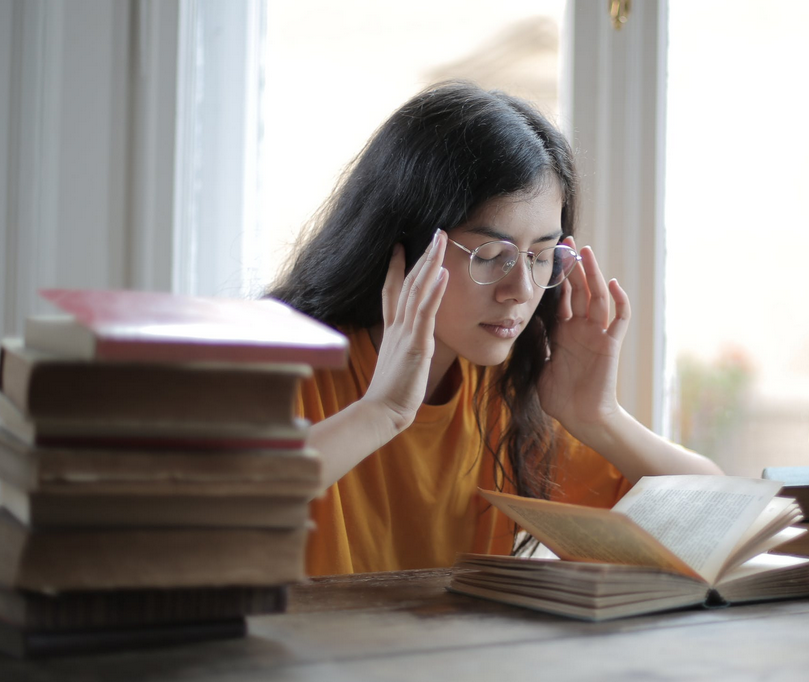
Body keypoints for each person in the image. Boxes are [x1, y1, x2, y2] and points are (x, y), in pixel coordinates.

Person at [269, 81, 722, 576]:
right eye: (490, 256)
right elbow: (200, 513)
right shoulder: (284, 368)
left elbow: (713, 517)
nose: (521, 290)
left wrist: (598, 417)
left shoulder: (500, 392)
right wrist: (383, 411)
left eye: (543, 257)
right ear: (402, 245)